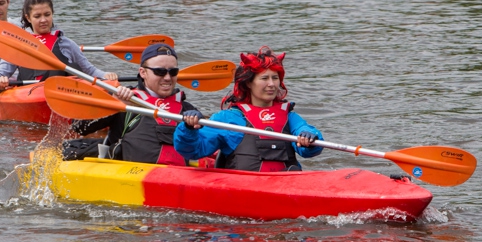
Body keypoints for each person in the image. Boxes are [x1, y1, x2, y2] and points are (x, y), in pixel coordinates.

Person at [174, 47, 323, 172]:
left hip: (285, 186)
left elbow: (309, 149)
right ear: (249, 83)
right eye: (264, 78)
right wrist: (189, 129)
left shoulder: (290, 117)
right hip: (243, 189)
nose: (271, 84)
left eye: (275, 78)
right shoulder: (229, 118)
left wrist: (310, 139)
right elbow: (193, 150)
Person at [71, 43, 203, 166]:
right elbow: (79, 128)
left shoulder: (186, 108)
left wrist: (197, 124)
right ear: (143, 72)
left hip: (174, 175)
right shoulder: (126, 98)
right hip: (126, 173)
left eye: (173, 72)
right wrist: (114, 105)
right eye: (160, 72)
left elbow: (204, 143)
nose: (168, 77)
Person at [0, 0, 117, 92]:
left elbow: (90, 71)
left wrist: (107, 76)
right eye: (37, 16)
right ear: (28, 18)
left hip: (62, 91)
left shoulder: (65, 43)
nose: (43, 20)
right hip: (31, 92)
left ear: (52, 14)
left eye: (47, 14)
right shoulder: (18, 45)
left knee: (68, 67)